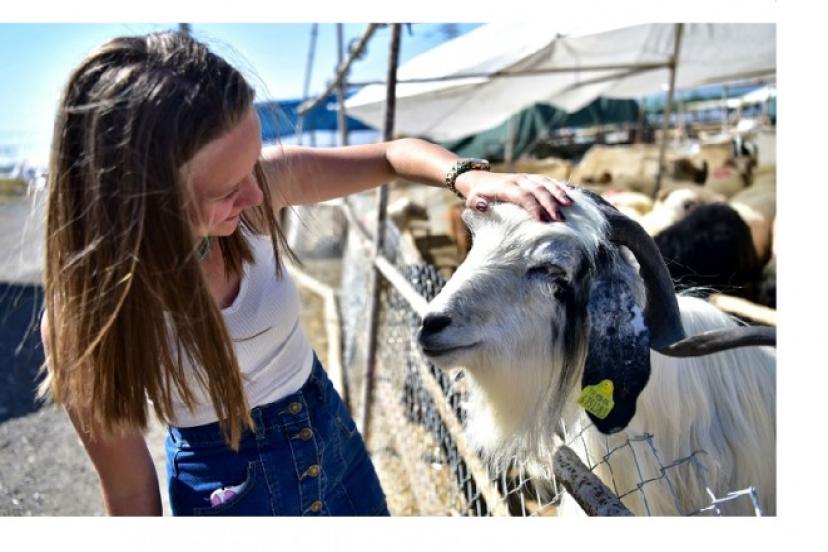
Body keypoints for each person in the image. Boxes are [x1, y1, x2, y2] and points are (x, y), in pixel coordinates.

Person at [38, 30, 573, 516]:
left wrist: (467, 178)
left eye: (253, 164)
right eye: (227, 188)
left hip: (333, 439)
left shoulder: (253, 193)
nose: (257, 195)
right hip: (234, 496)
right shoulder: (85, 317)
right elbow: (131, 493)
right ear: (141, 198)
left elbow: (392, 155)